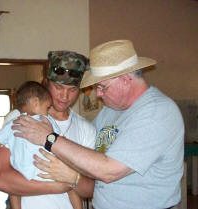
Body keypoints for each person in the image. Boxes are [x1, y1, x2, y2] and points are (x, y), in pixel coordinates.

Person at [13, 40, 185, 209]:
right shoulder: (110, 111)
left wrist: (49, 138)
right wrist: (74, 176)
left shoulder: (157, 112)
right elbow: (88, 159)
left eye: (102, 86)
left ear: (125, 80)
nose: (99, 94)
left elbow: (109, 170)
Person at [0, 51, 96, 209]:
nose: (65, 96)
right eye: (58, 87)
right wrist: (60, 186)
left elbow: (90, 190)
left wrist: (73, 178)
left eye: (72, 90)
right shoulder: (19, 117)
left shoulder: (86, 129)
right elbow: (0, 179)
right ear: (46, 82)